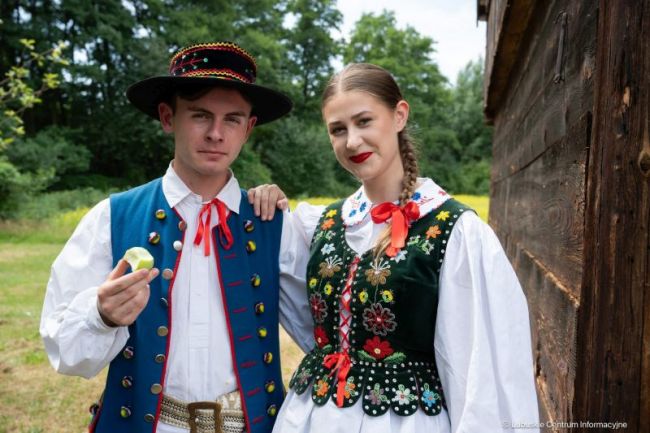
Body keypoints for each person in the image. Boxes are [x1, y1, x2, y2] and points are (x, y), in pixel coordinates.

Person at [40, 42, 313, 433]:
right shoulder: (113, 217)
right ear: (168, 117)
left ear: (248, 128)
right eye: (200, 115)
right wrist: (101, 316)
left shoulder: (274, 223)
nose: (216, 134)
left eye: (232, 119)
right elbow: (64, 352)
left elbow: (322, 336)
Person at [268, 63, 540, 433]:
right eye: (338, 129)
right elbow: (300, 315)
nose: (352, 141)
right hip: (311, 420)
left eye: (364, 121)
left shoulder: (453, 231)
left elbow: (479, 374)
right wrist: (263, 199)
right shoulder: (320, 226)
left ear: (399, 115)